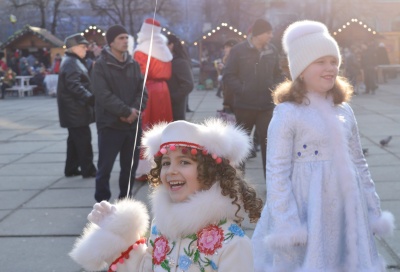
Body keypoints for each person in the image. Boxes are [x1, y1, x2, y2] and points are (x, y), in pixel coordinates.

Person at [251, 20, 395, 271]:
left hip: (348, 206)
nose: (330, 68)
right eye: (320, 62)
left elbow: (359, 162)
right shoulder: (288, 113)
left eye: (333, 61)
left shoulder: (345, 110)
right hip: (308, 206)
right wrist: (287, 224)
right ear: (301, 69)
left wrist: (372, 209)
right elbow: (277, 171)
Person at [69, 118, 263, 272]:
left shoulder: (233, 244)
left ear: (210, 172)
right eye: (166, 162)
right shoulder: (160, 226)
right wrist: (115, 234)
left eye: (184, 162)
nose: (171, 170)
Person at [91, 25, 148, 202]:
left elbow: (142, 91)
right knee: (105, 168)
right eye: (121, 38)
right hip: (110, 124)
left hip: (132, 125)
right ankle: (102, 203)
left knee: (130, 167)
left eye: (126, 38)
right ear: (111, 42)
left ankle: (126, 201)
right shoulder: (100, 65)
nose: (125, 41)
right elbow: (102, 94)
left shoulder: (133, 64)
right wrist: (124, 111)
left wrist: (134, 111)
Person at [223, 18, 283, 175]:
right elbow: (228, 74)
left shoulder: (273, 50)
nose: (271, 36)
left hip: (267, 106)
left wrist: (276, 88)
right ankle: (237, 181)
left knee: (269, 144)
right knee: (241, 145)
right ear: (258, 33)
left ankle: (271, 182)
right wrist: (242, 90)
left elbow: (278, 73)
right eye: (268, 32)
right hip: (244, 106)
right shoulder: (238, 50)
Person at [133, 18, 173, 182]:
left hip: (147, 89)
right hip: (163, 90)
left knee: (146, 127)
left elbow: (137, 74)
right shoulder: (164, 50)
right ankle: (164, 164)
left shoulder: (140, 51)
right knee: (162, 126)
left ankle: (144, 169)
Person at [56, 33, 97, 178]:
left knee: (74, 141)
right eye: (83, 46)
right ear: (73, 48)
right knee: (83, 141)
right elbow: (74, 85)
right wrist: (90, 98)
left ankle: (71, 168)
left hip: (73, 111)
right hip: (76, 112)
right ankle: (89, 169)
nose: (86, 49)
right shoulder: (72, 62)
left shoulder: (71, 61)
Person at [166, 34, 194, 121]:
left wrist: (172, 98)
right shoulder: (168, 61)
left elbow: (188, 84)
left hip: (176, 108)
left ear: (171, 45)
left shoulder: (180, 62)